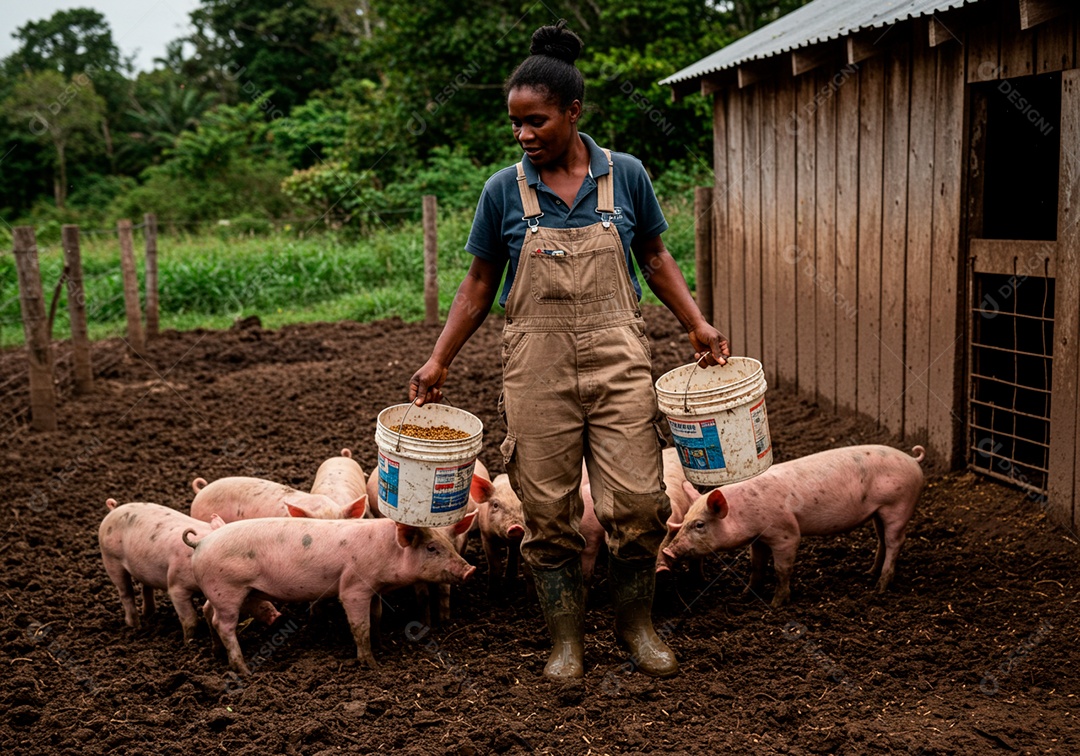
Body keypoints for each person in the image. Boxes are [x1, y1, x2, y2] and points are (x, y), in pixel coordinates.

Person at [409, 20, 728, 681]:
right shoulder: (503, 190)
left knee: (640, 505)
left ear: (573, 111)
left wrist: (696, 322)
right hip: (537, 369)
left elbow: (655, 256)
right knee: (548, 512)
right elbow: (480, 282)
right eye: (516, 123)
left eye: (537, 121)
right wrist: (439, 359)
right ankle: (566, 640)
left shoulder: (625, 176)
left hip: (619, 363)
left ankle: (636, 626)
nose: (524, 135)